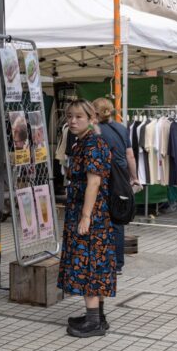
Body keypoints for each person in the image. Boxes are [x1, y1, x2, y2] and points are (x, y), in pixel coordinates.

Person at [59, 99, 116, 338]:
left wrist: (85, 216)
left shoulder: (92, 143)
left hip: (91, 212)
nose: (72, 121)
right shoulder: (84, 142)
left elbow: (94, 181)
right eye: (70, 116)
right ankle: (97, 316)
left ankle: (93, 322)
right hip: (93, 211)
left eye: (78, 117)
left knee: (89, 262)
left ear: (91, 118)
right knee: (96, 261)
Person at [92, 98, 139, 275]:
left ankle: (100, 258)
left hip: (101, 177)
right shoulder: (121, 128)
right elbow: (130, 156)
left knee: (99, 217)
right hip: (120, 178)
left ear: (95, 113)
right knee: (117, 220)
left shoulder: (93, 130)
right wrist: (133, 178)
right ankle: (117, 264)